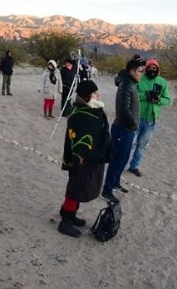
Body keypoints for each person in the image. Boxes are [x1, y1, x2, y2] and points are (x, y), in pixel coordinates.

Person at [58, 80, 110, 237]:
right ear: (87, 95)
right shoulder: (78, 115)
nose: (98, 95)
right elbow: (78, 141)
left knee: (82, 186)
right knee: (75, 188)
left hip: (92, 157)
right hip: (80, 158)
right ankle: (65, 221)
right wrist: (80, 160)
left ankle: (71, 215)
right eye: (94, 93)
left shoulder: (93, 109)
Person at [102, 57, 145, 201]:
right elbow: (123, 109)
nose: (142, 74)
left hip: (128, 129)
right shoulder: (126, 85)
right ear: (132, 71)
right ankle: (106, 191)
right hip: (122, 128)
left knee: (123, 159)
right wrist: (133, 125)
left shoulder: (130, 83)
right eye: (140, 71)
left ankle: (115, 183)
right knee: (116, 160)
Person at [127, 58, 171, 177]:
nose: (152, 70)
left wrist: (158, 100)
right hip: (137, 116)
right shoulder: (140, 79)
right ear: (146, 68)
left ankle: (134, 166)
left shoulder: (162, 82)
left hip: (151, 120)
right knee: (129, 143)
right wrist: (146, 95)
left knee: (142, 146)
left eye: (154, 68)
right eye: (150, 68)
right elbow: (132, 93)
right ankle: (122, 164)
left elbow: (168, 99)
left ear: (158, 69)